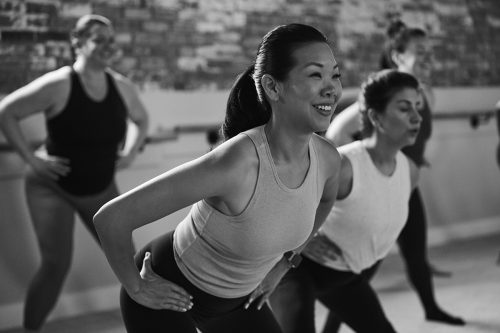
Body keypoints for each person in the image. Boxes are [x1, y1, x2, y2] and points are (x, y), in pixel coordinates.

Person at [93, 23, 342, 333]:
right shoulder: (237, 162)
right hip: (169, 291)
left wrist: (285, 263)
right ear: (273, 87)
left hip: (237, 301)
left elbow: (327, 199)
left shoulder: (328, 160)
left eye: (335, 75)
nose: (331, 87)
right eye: (315, 74)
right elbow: (112, 218)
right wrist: (137, 287)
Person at [0, 14, 149, 332]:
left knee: (130, 264)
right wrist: (32, 159)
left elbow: (141, 119)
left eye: (111, 39)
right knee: (56, 266)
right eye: (99, 39)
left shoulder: (122, 87)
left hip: (100, 187)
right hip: (51, 186)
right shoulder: (58, 84)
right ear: (78, 43)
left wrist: (131, 152)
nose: (108, 46)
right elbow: (7, 111)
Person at [324, 21, 465, 329]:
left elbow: (417, 139)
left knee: (415, 252)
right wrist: (358, 164)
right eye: (420, 53)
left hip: (405, 184)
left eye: (431, 53)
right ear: (398, 56)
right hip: (373, 186)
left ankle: (431, 309)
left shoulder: (427, 95)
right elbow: (335, 131)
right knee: (358, 270)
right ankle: (331, 327)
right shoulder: (382, 91)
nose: (428, 59)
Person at [270, 69, 428, 333]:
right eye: (404, 108)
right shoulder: (343, 164)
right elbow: (275, 202)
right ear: (376, 117)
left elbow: (376, 235)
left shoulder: (410, 171)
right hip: (296, 270)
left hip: (344, 278)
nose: (416, 117)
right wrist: (300, 241)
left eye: (417, 107)